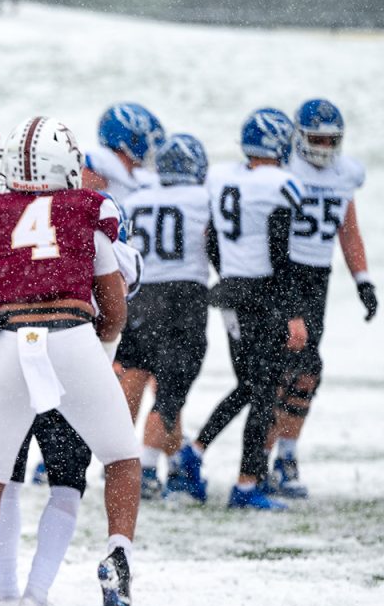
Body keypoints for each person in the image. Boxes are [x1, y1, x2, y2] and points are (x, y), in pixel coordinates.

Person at [0, 116, 140, 606]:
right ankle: (118, 552)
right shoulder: (90, 211)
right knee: (121, 456)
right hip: (72, 336)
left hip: (10, 341)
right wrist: (97, 345)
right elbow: (115, 309)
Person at [177, 109, 307, 511]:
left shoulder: (221, 177)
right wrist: (293, 311)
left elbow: (211, 237)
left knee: (250, 385)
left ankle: (195, 451)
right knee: (264, 390)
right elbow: (280, 253)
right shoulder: (281, 183)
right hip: (263, 295)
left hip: (232, 292)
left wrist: (229, 279)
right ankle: (247, 486)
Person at [266, 99, 375, 496]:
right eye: (317, 139)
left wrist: (363, 280)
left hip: (318, 277)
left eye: (332, 140)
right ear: (298, 136)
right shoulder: (282, 168)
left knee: (307, 372)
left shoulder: (345, 174)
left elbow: (349, 230)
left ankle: (285, 456)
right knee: (280, 370)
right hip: (284, 270)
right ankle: (262, 461)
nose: (325, 148)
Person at [116, 134, 214, 502]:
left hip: (139, 295)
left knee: (136, 373)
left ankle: (130, 461)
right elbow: (217, 242)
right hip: (182, 296)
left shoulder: (135, 198)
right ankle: (144, 467)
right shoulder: (203, 198)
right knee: (171, 390)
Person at [82, 103, 165, 205]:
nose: (153, 148)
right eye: (150, 140)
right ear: (132, 139)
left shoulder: (136, 177)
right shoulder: (99, 162)